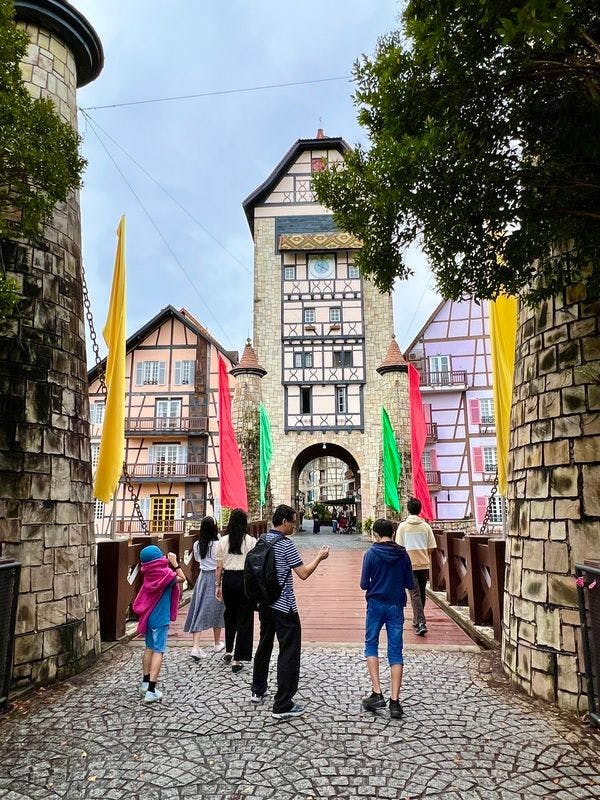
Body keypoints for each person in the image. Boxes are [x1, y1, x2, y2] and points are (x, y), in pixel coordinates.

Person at [251, 503, 329, 720]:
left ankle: (258, 689)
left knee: (264, 644)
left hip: (265, 604)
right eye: (293, 521)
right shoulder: (286, 545)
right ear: (284, 521)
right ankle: (283, 703)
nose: (295, 525)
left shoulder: (263, 539)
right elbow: (303, 573)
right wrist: (319, 558)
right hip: (284, 606)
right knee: (289, 652)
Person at [360, 518, 414, 719]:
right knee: (395, 651)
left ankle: (376, 693)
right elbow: (410, 583)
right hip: (396, 605)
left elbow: (364, 584)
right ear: (392, 533)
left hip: (375, 604)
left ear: (375, 534)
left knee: (371, 644)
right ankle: (395, 701)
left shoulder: (371, 554)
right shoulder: (403, 554)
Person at [132, 545, 185, 703]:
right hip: (160, 617)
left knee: (149, 648)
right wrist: (175, 563)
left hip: (148, 616)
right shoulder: (165, 575)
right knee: (158, 650)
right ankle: (151, 690)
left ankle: (145, 682)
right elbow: (181, 578)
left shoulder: (148, 574)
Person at [215, 508, 256, 673]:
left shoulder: (222, 541)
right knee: (244, 618)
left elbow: (218, 567)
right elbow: (254, 565)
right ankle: (238, 659)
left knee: (229, 615)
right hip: (245, 580)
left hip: (229, 580)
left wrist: (217, 585)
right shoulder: (251, 541)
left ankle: (228, 650)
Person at [183, 515, 225, 659]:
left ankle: (196, 646)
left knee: (199, 609)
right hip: (215, 577)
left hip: (202, 577)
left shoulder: (197, 544)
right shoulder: (218, 544)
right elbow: (221, 563)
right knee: (218, 609)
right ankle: (217, 642)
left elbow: (196, 559)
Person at [394, 497, 437, 636]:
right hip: (424, 563)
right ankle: (417, 618)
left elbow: (399, 546)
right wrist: (423, 553)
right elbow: (432, 546)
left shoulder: (403, 527)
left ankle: (421, 622)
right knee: (421, 592)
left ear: (408, 509)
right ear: (419, 510)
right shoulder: (426, 527)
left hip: (409, 564)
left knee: (415, 593)